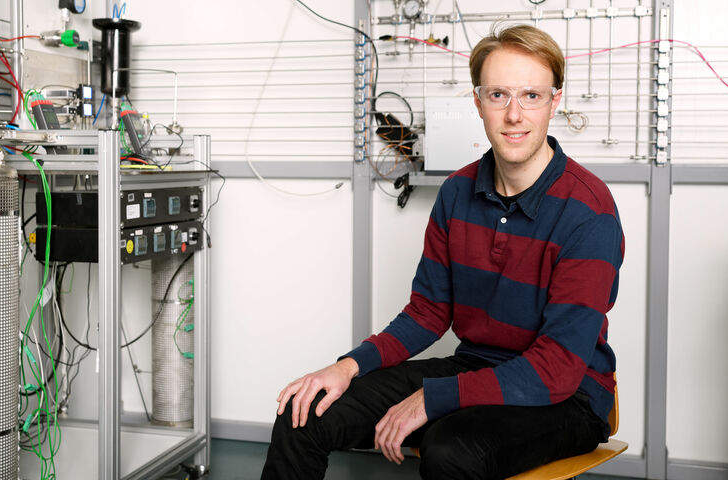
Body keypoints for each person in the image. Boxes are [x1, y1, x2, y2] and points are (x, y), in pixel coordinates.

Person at [261, 24, 624, 480]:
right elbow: (428, 313)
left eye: (531, 95)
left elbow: (556, 369)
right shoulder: (457, 192)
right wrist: (348, 366)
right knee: (305, 410)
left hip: (569, 396)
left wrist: (436, 398)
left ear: (555, 101)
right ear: (477, 102)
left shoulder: (589, 212)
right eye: (498, 95)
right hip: (477, 365)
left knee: (451, 448)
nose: (514, 114)